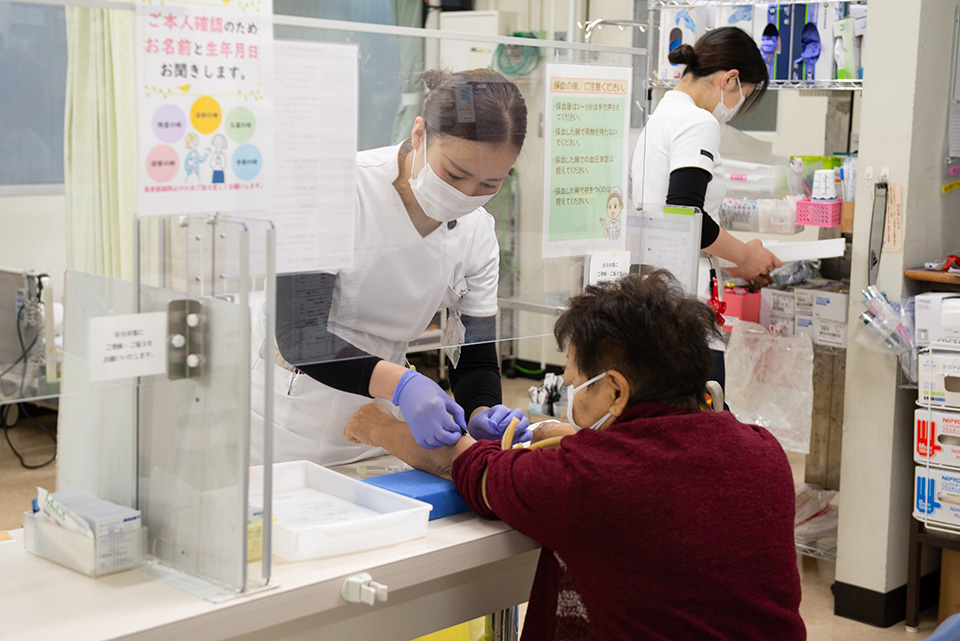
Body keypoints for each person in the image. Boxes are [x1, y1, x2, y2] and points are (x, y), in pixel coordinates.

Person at [344, 270, 806, 641]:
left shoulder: (587, 480)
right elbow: (653, 461)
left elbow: (466, 462)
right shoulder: (763, 453)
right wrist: (549, 429)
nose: (564, 383)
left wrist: (380, 425)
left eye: (573, 374)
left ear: (616, 390)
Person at [250, 69, 532, 467]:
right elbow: (301, 335)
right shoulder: (337, 190)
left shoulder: (478, 232)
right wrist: (404, 384)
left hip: (382, 421)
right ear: (419, 134)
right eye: (454, 174)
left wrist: (482, 411)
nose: (466, 195)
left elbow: (476, 359)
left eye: (490, 184)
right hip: (286, 415)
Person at [630, 26, 783, 386]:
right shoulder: (698, 122)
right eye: (742, 95)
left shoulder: (662, 116)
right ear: (730, 79)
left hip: (656, 295)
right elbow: (686, 214)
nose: (736, 107)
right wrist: (745, 255)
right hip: (684, 306)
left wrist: (735, 257)